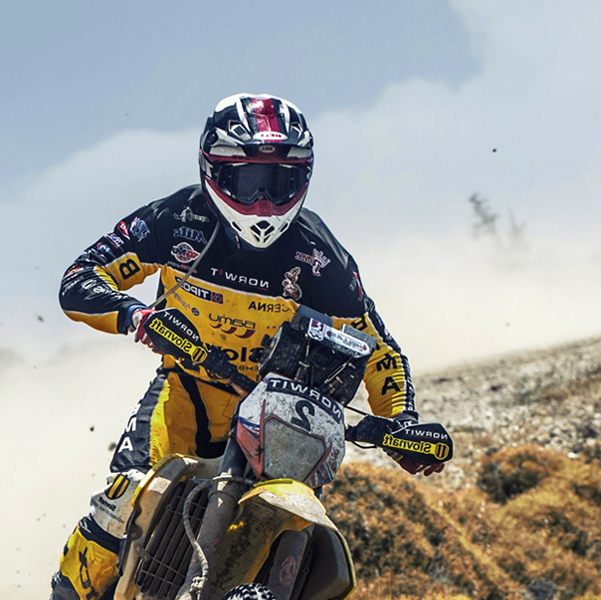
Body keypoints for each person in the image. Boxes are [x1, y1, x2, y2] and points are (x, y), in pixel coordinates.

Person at [48, 93, 441, 600]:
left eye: (279, 183)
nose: (262, 203)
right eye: (249, 181)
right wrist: (137, 317)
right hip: (186, 393)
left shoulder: (323, 259)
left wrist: (402, 422)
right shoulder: (174, 219)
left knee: (298, 515)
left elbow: (381, 351)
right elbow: (80, 278)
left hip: (280, 420)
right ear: (214, 171)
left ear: (304, 179)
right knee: (125, 499)